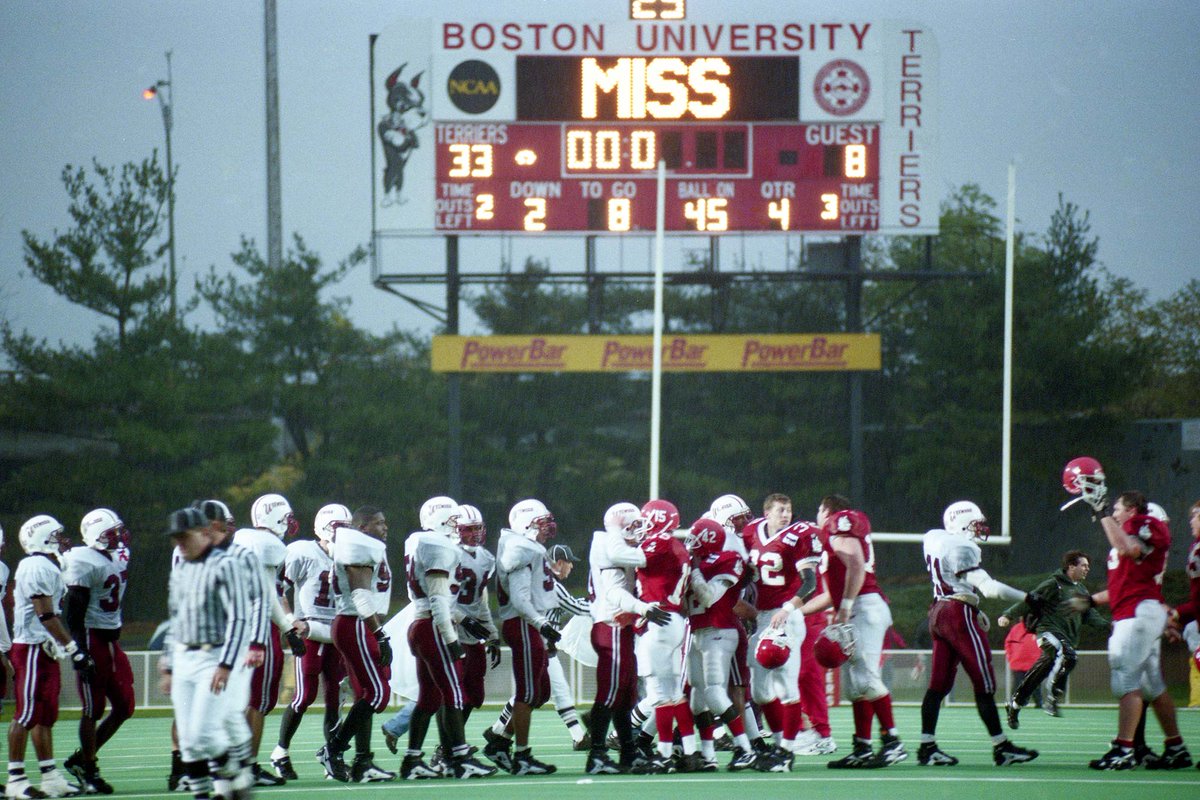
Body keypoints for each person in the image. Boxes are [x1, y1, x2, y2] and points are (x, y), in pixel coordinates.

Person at [1075, 485, 1192, 770]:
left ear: (1133, 511)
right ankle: (1175, 747)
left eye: (1118, 509)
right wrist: (1091, 600)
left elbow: (1127, 548)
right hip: (1138, 611)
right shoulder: (1134, 534)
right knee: (1152, 687)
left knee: (1126, 680)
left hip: (1136, 614)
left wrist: (1102, 512)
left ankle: (1124, 749)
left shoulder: (1145, 524)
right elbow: (1126, 583)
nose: (1115, 514)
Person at [918, 501, 1039, 767]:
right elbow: (990, 588)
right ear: (961, 523)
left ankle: (927, 747)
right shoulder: (962, 547)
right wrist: (1029, 598)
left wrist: (973, 605)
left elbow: (953, 583)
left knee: (938, 685)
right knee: (984, 681)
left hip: (939, 611)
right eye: (975, 524)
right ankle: (1002, 747)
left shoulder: (935, 538)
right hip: (957, 614)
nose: (980, 529)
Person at [804, 495, 906, 769]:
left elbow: (856, 564)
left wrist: (846, 608)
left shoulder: (839, 522)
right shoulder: (832, 538)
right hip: (858, 607)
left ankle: (892, 742)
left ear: (827, 510)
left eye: (819, 509)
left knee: (866, 679)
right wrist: (794, 611)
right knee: (855, 687)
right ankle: (862, 747)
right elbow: (829, 595)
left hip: (864, 606)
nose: (817, 515)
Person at [160, 507, 254, 800]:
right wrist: (168, 664)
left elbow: (240, 617)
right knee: (188, 742)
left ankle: (237, 772)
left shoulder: (225, 565)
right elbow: (175, 618)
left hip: (212, 656)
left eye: (184, 536)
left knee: (205, 733)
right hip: (183, 656)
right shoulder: (181, 568)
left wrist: (226, 664)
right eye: (175, 538)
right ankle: (211, 791)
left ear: (204, 533)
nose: (179, 543)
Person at [398, 497, 495, 780]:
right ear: (440, 520)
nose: (457, 526)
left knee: (429, 697)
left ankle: (412, 760)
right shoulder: (437, 545)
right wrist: (452, 639)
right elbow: (439, 600)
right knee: (453, 693)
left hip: (421, 623)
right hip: (432, 625)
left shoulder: (418, 541)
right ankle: (459, 759)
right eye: (453, 520)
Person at [7, 515, 95, 799]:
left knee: (45, 716)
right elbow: (46, 615)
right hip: (32, 647)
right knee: (26, 714)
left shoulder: (46, 565)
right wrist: (74, 649)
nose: (61, 540)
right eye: (56, 535)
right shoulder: (36, 566)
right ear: (42, 538)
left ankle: (50, 777)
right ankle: (15, 779)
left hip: (44, 647)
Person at [583, 502, 669, 775]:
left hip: (620, 625)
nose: (639, 530)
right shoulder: (608, 545)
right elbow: (614, 593)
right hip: (611, 624)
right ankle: (597, 754)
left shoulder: (615, 545)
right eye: (633, 525)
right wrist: (642, 609)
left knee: (625, 694)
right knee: (610, 693)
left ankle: (629, 753)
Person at [270, 503, 350, 780]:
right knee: (305, 696)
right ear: (323, 528)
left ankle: (333, 757)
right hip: (310, 631)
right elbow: (278, 588)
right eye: (338, 527)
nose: (343, 533)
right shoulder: (302, 551)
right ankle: (280, 751)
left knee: (335, 699)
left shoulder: (348, 555)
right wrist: (291, 620)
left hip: (336, 633)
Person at [233, 493, 308, 787]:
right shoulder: (266, 545)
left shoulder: (243, 539)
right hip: (257, 627)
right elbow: (266, 596)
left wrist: (287, 628)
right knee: (258, 701)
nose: (289, 523)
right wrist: (287, 629)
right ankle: (247, 766)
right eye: (286, 517)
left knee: (245, 699)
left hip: (236, 625)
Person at [482, 499, 561, 776]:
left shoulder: (526, 547)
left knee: (540, 692)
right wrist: (542, 625)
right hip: (523, 624)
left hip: (529, 625)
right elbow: (519, 598)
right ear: (526, 525)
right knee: (527, 692)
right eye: (542, 523)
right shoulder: (520, 549)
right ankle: (522, 755)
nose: (548, 527)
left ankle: (500, 740)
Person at [317, 505, 395, 783]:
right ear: (362, 527)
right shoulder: (358, 546)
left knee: (368, 694)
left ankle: (361, 761)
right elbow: (361, 596)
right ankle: (333, 750)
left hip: (357, 624)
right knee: (378, 694)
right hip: (356, 623)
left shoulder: (361, 546)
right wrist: (380, 635)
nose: (385, 527)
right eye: (378, 523)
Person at [686, 517, 770, 772]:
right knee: (697, 699)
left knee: (714, 692)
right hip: (699, 632)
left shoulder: (726, 560)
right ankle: (709, 755)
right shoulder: (693, 561)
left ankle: (745, 749)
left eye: (696, 536)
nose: (690, 540)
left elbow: (708, 597)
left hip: (720, 632)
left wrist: (694, 571)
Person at [741, 493, 820, 766]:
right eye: (780, 510)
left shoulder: (799, 536)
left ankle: (786, 751)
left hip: (787, 616)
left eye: (788, 510)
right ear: (767, 513)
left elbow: (810, 583)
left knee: (787, 686)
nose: (786, 515)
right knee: (760, 692)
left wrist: (787, 609)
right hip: (763, 617)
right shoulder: (751, 531)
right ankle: (779, 743)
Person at [60, 508, 134, 794]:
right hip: (92, 637)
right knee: (93, 708)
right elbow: (74, 615)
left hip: (112, 639)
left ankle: (81, 759)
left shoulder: (117, 554)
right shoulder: (83, 561)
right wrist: (79, 651)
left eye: (118, 530)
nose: (119, 536)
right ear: (96, 536)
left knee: (125, 706)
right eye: (112, 533)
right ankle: (89, 769)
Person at [999, 550, 1108, 725]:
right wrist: (1008, 614)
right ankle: (1052, 698)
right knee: (1068, 655)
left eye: (1088, 566)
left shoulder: (1081, 589)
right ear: (1071, 566)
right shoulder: (1054, 584)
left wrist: (1110, 627)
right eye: (1084, 565)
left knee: (1037, 674)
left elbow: (1089, 615)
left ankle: (1015, 704)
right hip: (1047, 633)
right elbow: (1031, 600)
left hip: (1066, 639)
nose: (1087, 569)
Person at [634, 499, 703, 772]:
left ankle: (662, 755)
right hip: (674, 618)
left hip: (658, 619)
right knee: (675, 694)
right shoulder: (676, 546)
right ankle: (691, 752)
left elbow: (629, 559)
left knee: (659, 694)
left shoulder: (659, 542)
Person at [1001, 621, 1043, 709]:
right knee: (1017, 684)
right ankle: (1014, 703)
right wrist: (1011, 656)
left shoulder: (1039, 628)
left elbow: (1044, 644)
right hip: (1017, 663)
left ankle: (1039, 703)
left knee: (1034, 684)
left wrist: (1040, 658)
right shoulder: (1016, 628)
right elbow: (1008, 643)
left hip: (1034, 664)